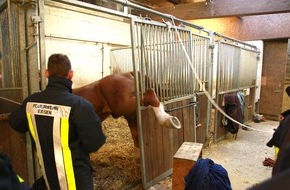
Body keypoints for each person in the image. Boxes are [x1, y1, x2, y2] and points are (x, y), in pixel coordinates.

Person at [9, 53, 106, 190]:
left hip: (50, 177)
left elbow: (15, 123)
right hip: (77, 180)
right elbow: (95, 143)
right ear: (70, 74)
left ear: (47, 73)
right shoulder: (80, 105)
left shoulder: (30, 103)